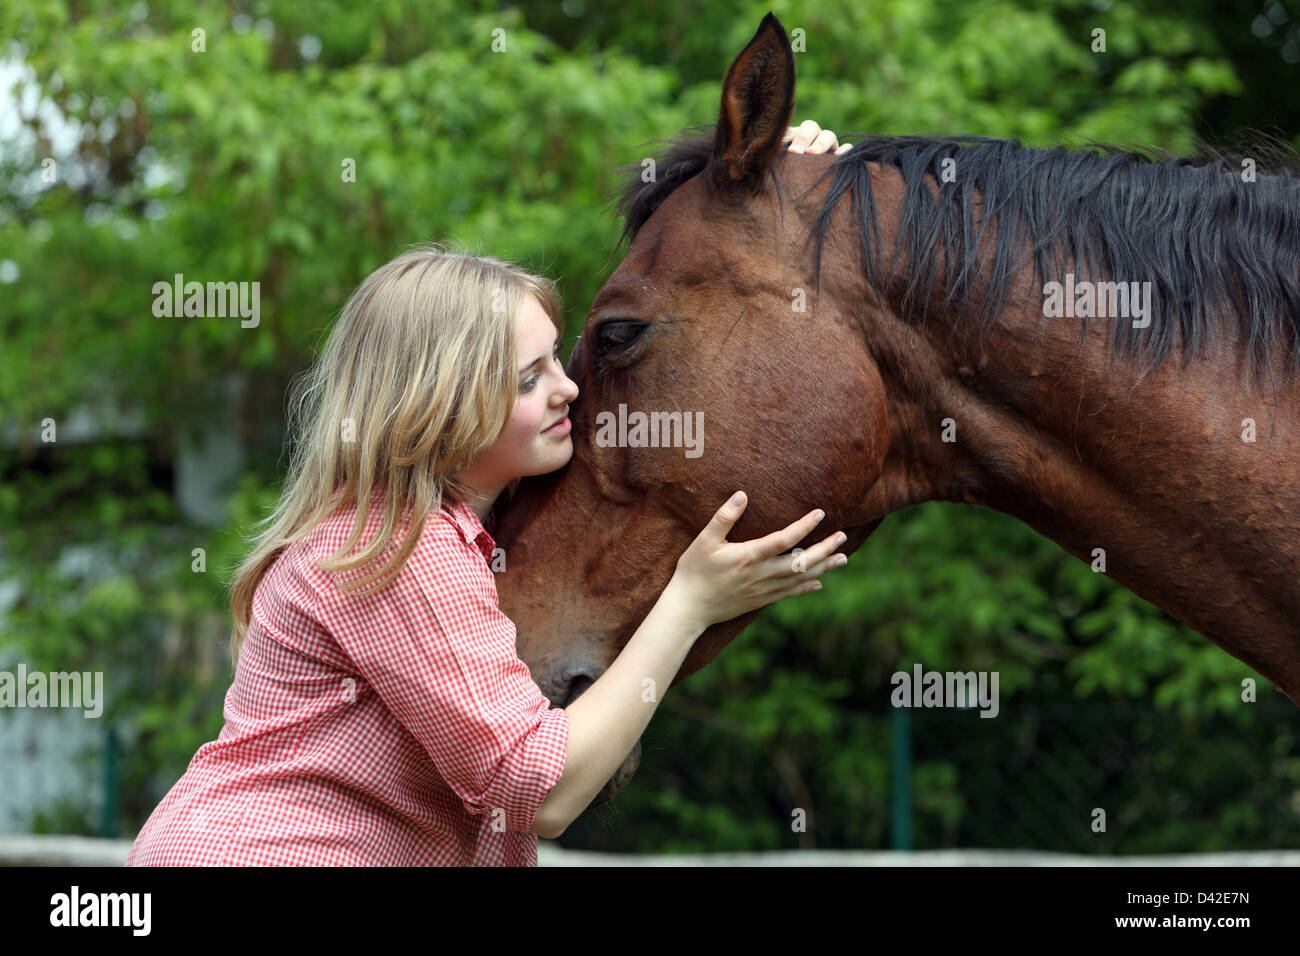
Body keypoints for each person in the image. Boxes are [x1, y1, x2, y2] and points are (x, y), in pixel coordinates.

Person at [125, 122, 853, 866]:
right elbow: (544, 792)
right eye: (529, 377)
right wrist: (690, 601)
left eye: (556, 362)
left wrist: (775, 180)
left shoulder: (457, 530)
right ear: (441, 405)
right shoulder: (397, 549)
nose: (569, 388)